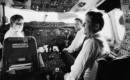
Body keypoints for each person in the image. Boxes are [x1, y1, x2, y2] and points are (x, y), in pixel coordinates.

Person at [64, 11, 110, 80]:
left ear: (96, 26)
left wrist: (67, 77)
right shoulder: (101, 39)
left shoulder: (93, 43)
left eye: (86, 22)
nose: (83, 25)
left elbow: (78, 68)